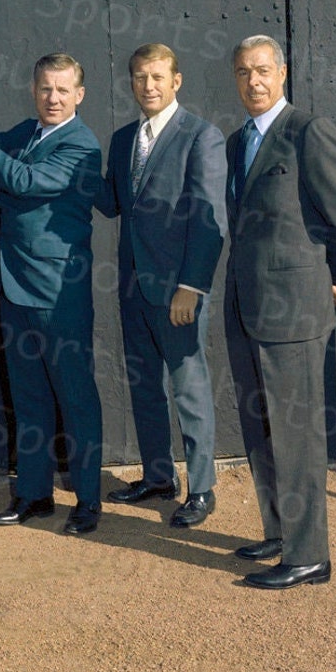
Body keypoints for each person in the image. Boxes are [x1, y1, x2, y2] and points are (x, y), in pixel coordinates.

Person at [0, 54, 105, 535]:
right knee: (29, 397)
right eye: (45, 89)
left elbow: (25, 180)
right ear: (34, 91)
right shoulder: (30, 132)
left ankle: (89, 501)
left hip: (60, 294)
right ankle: (34, 495)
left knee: (76, 399)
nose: (53, 98)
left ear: (79, 95)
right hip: (15, 287)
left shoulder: (82, 145)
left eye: (62, 90)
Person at [224, 35, 336, 589]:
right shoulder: (239, 141)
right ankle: (280, 532)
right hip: (247, 305)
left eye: (262, 71)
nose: (253, 82)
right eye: (243, 73)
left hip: (294, 310)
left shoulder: (308, 132)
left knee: (296, 434)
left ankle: (309, 555)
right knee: (261, 429)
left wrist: (329, 275)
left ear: (283, 74)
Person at [96, 43, 227, 527]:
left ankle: (203, 489)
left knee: (189, 389)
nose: (148, 86)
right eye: (138, 77)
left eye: (157, 77)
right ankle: (158, 478)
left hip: (178, 291)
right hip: (133, 287)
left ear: (176, 81)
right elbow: (111, 202)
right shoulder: (123, 137)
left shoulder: (201, 137)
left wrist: (191, 286)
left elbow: (210, 218)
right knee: (145, 387)